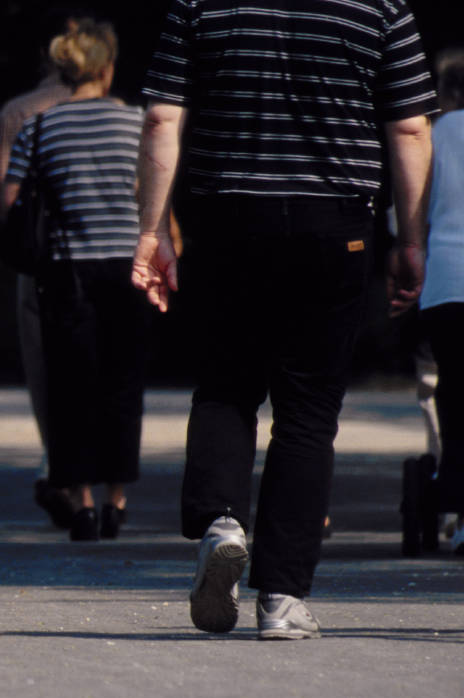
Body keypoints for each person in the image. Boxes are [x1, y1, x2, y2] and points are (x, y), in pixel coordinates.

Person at [133, 0, 437, 639]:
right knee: (308, 411)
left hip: (226, 220)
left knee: (225, 385)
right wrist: (410, 239)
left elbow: (163, 115)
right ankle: (282, 598)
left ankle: (220, 522)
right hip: (335, 225)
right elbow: (409, 129)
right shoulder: (380, 8)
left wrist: (153, 231)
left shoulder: (199, 5)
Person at [2, 19, 148, 542]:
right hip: (129, 266)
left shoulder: (42, 127)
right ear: (107, 69)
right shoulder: (136, 124)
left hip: (66, 270)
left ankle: (81, 502)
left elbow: (11, 202)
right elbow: (152, 192)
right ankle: (117, 500)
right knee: (123, 384)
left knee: (71, 386)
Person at [0, 10, 80, 529]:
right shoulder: (123, 112)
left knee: (44, 367)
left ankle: (56, 463)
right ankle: (94, 481)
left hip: (41, 260)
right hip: (108, 256)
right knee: (98, 366)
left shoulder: (18, 112)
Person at [418, 47, 464, 553]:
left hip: (448, 282)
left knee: (451, 389)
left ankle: (453, 490)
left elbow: (406, 213)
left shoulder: (432, 136)